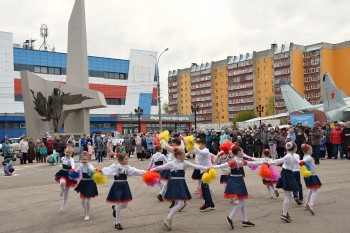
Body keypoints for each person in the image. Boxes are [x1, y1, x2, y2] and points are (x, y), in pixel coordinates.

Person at [151, 148, 209, 231]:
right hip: (174, 183)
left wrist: (206, 168)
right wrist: (149, 171)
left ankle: (168, 219)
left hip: (181, 183)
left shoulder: (185, 163)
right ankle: (168, 219)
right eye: (183, 154)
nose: (185, 155)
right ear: (178, 156)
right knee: (181, 203)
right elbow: (160, 167)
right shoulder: (171, 163)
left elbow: (196, 166)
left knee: (180, 203)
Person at [212, 143, 265, 229]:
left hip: (239, 181)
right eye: (242, 151)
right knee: (242, 202)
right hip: (235, 181)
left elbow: (251, 163)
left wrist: (263, 162)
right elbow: (222, 165)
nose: (243, 152)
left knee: (242, 202)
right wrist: (211, 167)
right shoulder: (233, 161)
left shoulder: (241, 161)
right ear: (238, 152)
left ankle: (245, 220)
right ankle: (230, 217)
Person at [102, 153, 146, 230]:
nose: (127, 160)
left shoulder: (127, 168)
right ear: (120, 160)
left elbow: (136, 171)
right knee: (119, 204)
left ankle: (115, 208)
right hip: (117, 186)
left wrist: (146, 172)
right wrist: (98, 171)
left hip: (125, 186)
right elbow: (107, 170)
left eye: (127, 159)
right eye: (126, 159)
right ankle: (117, 223)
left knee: (125, 205)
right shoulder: (115, 166)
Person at [269, 142, 299, 223]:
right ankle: (284, 214)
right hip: (287, 174)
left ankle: (284, 212)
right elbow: (280, 160)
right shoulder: (289, 156)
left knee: (288, 195)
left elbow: (292, 162)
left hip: (288, 173)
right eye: (296, 147)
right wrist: (269, 162)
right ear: (294, 148)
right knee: (287, 195)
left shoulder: (291, 155)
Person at [192, 139, 216, 211]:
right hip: (203, 171)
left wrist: (194, 145)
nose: (198, 146)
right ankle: (210, 204)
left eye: (199, 144)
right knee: (205, 188)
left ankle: (208, 204)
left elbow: (201, 152)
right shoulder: (200, 151)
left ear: (203, 144)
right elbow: (193, 151)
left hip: (207, 171)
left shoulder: (206, 150)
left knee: (204, 187)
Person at [74, 152, 99, 221]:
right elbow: (76, 171)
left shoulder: (89, 166)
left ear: (88, 160)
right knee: (82, 202)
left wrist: (96, 171)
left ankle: (87, 214)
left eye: (86, 159)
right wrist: (73, 172)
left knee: (87, 201)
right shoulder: (81, 165)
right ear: (81, 159)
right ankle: (85, 211)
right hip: (83, 182)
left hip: (90, 183)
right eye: (83, 159)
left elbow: (93, 170)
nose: (84, 161)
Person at [299, 144, 322, 215]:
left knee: (310, 190)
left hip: (308, 176)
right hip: (312, 175)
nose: (312, 151)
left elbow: (304, 160)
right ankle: (311, 204)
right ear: (309, 150)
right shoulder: (308, 157)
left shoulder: (305, 156)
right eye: (311, 149)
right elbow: (304, 160)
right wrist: (302, 161)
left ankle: (306, 203)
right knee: (315, 191)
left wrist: (302, 161)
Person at [54, 147, 76, 211]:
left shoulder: (71, 159)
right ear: (64, 152)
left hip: (69, 174)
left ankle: (63, 205)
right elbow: (58, 161)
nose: (67, 153)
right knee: (62, 182)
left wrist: (73, 168)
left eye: (69, 153)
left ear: (71, 153)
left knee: (67, 191)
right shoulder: (62, 158)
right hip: (62, 173)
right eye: (67, 152)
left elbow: (73, 165)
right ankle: (62, 190)